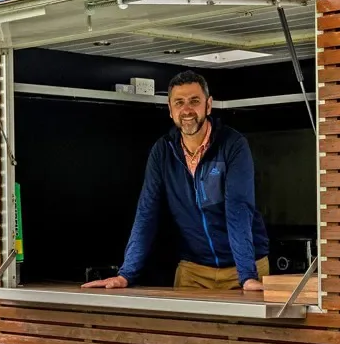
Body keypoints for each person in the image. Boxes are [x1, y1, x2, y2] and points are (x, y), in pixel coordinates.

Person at [83, 69, 270, 293]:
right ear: (170, 109)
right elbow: (147, 212)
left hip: (245, 268)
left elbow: (238, 209)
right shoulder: (162, 151)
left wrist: (247, 275)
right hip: (193, 270)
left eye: (194, 101)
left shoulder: (232, 145)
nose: (187, 110)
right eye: (179, 102)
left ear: (208, 105)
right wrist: (126, 274)